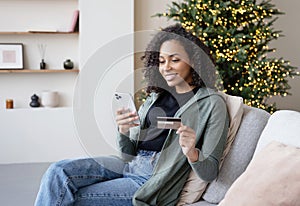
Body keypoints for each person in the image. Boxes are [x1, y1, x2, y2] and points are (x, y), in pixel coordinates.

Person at [34, 24, 229, 206]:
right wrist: (124, 131)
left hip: (152, 179)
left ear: (194, 61)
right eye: (161, 61)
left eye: (174, 59)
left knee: (73, 197)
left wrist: (192, 153)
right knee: (58, 172)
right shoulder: (155, 96)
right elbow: (126, 154)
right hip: (129, 164)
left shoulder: (212, 104)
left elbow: (210, 172)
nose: (166, 67)